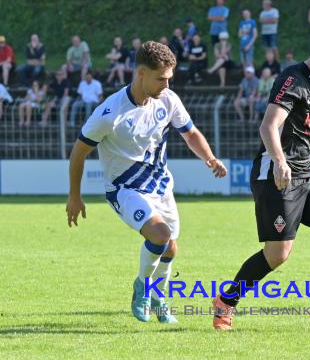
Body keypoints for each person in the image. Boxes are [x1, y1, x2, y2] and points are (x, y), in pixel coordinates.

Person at [212, 28, 310, 331]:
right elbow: (269, 126)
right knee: (278, 255)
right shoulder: (292, 79)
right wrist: (279, 161)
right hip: (276, 175)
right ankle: (226, 302)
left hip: (307, 176)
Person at [66, 41, 227, 324]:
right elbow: (79, 153)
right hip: (124, 189)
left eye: (169, 78)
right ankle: (143, 287)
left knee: (171, 247)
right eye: (161, 78)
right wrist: (74, 196)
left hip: (161, 186)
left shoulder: (168, 100)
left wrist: (210, 159)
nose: (166, 84)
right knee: (160, 235)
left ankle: (158, 296)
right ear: (141, 73)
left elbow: (190, 134)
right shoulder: (110, 113)